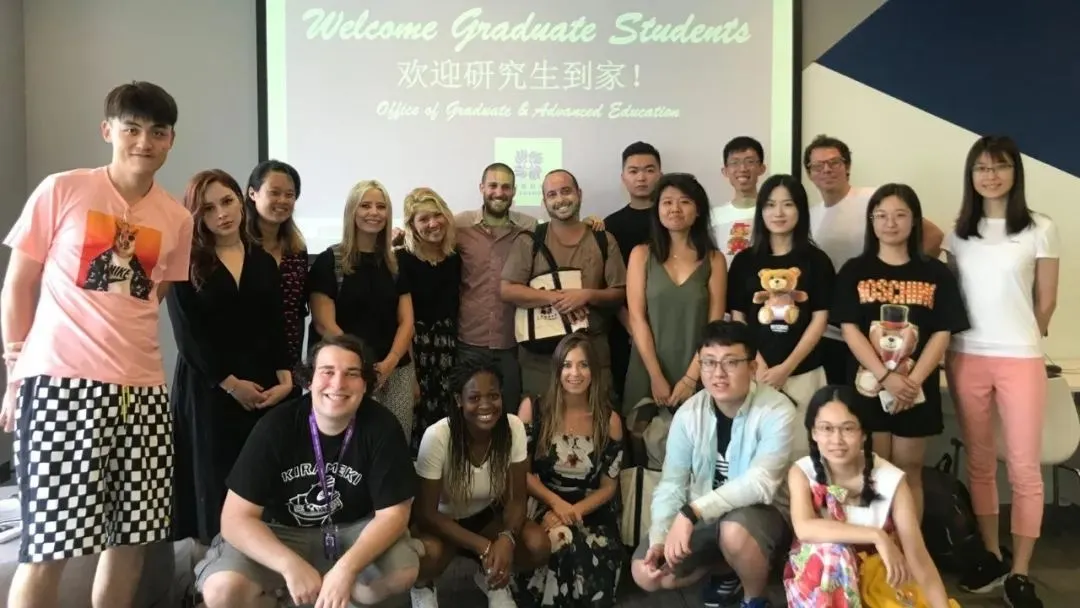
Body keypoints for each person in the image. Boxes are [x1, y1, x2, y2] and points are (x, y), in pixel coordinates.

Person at [0, 81, 193, 608]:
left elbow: (152, 296)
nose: (144, 142)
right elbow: (18, 284)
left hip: (143, 392)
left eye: (157, 132)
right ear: (108, 131)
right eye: (132, 129)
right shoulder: (62, 189)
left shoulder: (177, 218)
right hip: (62, 385)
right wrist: (16, 372)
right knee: (50, 545)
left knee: (132, 540)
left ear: (171, 140)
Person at [194, 334, 419, 608]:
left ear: (364, 384)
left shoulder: (382, 427)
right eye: (327, 372)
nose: (338, 384)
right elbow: (234, 518)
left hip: (353, 532)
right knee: (222, 591)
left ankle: (337, 597)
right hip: (282, 532)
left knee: (402, 571)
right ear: (309, 380)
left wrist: (346, 569)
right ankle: (287, 597)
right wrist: (288, 565)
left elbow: (394, 515)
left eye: (351, 374)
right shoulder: (276, 426)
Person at [944, 135, 1058, 607]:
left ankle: (1021, 571)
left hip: (1020, 357)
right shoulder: (958, 233)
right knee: (980, 462)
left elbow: (1046, 300)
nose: (990, 176)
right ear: (970, 175)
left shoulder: (1039, 227)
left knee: (1026, 468)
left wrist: (1022, 333)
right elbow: (952, 300)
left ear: (1016, 172)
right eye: (981, 168)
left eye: (1000, 166)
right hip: (966, 355)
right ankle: (991, 555)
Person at [630, 320, 797, 608]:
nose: (718, 373)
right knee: (646, 574)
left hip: (761, 515)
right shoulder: (689, 413)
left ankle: (754, 598)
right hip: (705, 518)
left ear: (752, 368)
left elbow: (761, 483)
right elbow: (672, 483)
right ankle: (724, 569)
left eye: (731, 362)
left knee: (734, 532)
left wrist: (692, 512)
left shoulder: (777, 409)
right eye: (708, 362)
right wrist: (659, 537)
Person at [167, 169, 294, 545]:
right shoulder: (185, 261)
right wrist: (230, 384)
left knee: (260, 478)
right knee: (211, 480)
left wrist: (286, 376)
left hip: (262, 385)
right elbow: (187, 336)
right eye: (208, 209)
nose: (221, 214)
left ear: (241, 200)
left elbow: (275, 325)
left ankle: (261, 563)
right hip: (208, 387)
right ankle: (209, 570)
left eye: (226, 201)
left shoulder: (263, 261)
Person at [831, 184, 970, 521]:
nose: (890, 223)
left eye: (899, 215)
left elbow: (942, 331)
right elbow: (850, 329)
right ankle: (876, 545)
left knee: (909, 469)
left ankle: (909, 545)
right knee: (873, 468)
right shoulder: (854, 270)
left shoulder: (935, 272)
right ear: (871, 222)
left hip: (915, 389)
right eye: (881, 216)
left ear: (914, 220)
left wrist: (912, 382)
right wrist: (885, 377)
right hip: (869, 387)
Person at [784, 386, 955, 608]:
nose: (837, 439)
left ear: (864, 434)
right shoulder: (802, 472)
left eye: (848, 428)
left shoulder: (891, 479)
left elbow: (918, 556)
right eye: (826, 429)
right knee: (832, 555)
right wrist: (877, 536)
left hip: (880, 581)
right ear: (813, 433)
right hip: (821, 585)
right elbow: (804, 528)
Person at [804, 135, 945, 386]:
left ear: (847, 166)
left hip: (880, 325)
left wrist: (900, 277)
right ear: (809, 173)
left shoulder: (873, 201)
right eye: (818, 165)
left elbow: (934, 236)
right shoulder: (810, 217)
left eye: (834, 162)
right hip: (833, 329)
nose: (826, 169)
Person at [410, 356, 551, 608]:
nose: (486, 405)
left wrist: (506, 538)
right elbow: (426, 513)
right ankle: (422, 586)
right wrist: (484, 546)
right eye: (474, 398)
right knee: (426, 556)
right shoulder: (438, 436)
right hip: (443, 523)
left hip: (487, 517)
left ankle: (491, 577)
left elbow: (517, 499)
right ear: (459, 400)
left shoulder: (513, 427)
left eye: (493, 396)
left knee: (537, 545)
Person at [514, 332, 625, 607]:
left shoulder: (609, 419)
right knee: (560, 541)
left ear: (594, 371)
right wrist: (556, 505)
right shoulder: (533, 409)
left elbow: (609, 486)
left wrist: (572, 511)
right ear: (556, 370)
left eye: (583, 365)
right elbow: (520, 474)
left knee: (590, 554)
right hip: (542, 501)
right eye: (567, 365)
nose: (575, 373)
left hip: (590, 508)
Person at [727, 174, 834, 458]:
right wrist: (759, 364)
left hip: (804, 372)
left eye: (788, 204)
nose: (778, 213)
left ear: (800, 210)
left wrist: (786, 367)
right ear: (761, 211)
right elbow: (739, 318)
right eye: (770, 205)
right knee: (756, 455)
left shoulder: (817, 261)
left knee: (804, 455)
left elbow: (820, 319)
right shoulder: (744, 261)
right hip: (754, 372)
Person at [501, 169, 627, 399]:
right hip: (541, 358)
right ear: (544, 202)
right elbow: (508, 290)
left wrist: (586, 295)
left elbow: (619, 292)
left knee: (596, 415)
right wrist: (557, 298)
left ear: (579, 193)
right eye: (552, 194)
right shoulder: (530, 239)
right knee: (540, 416)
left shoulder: (603, 240)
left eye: (566, 191)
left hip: (593, 353)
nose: (560, 199)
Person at [309, 179, 416, 437]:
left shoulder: (395, 264)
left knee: (394, 443)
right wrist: (361, 366)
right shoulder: (329, 261)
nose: (374, 212)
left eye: (381, 206)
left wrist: (388, 364)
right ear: (352, 211)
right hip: (346, 373)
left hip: (394, 373)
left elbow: (407, 322)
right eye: (365, 205)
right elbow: (324, 324)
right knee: (348, 444)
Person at [622, 173, 726, 415]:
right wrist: (656, 376)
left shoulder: (714, 259)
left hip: (700, 366)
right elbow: (637, 319)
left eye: (685, 202)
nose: (675, 209)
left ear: (698, 210)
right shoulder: (641, 255)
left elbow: (715, 325)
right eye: (667, 202)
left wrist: (691, 378)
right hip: (648, 366)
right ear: (657, 210)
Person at [398, 187, 463, 454]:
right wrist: (411, 375)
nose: (433, 223)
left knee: (448, 428)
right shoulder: (401, 259)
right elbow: (402, 321)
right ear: (412, 225)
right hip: (416, 352)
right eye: (423, 219)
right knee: (416, 426)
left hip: (449, 352)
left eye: (437, 215)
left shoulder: (455, 258)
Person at [604, 141, 663, 401]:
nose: (641, 177)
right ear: (623, 178)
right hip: (624, 330)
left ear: (660, 174)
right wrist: (631, 326)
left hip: (668, 327)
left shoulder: (671, 219)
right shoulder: (610, 225)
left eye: (649, 170)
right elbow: (607, 283)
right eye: (634, 171)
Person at [243, 160, 309, 371]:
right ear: (252, 193)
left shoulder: (297, 250)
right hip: (243, 362)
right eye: (274, 192)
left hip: (287, 362)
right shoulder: (237, 247)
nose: (283, 200)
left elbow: (297, 311)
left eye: (290, 195)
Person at [711, 136, 768, 267]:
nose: (742, 168)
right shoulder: (714, 216)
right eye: (734, 163)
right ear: (725, 171)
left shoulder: (772, 212)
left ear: (762, 168)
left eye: (750, 161)